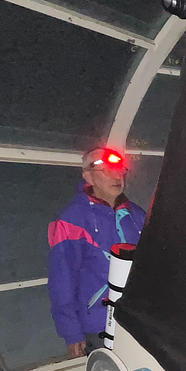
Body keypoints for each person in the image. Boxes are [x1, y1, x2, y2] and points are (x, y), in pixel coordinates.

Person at [48, 148, 146, 358]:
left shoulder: (136, 215)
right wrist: (71, 332)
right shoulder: (72, 220)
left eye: (120, 171)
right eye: (108, 171)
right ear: (88, 176)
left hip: (138, 319)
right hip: (99, 324)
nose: (117, 177)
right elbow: (62, 278)